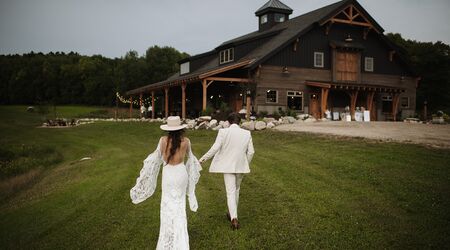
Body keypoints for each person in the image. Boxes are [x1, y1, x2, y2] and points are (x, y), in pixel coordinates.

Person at [130, 116, 201, 249]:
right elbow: (191, 159)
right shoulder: (186, 141)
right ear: (180, 129)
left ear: (168, 129)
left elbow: (155, 158)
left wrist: (147, 165)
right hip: (181, 174)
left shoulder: (162, 141)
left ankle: (168, 238)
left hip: (168, 175)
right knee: (179, 206)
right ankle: (180, 239)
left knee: (167, 204)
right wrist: (197, 165)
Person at [199, 113, 254, 230]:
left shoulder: (223, 132)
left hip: (228, 166)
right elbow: (251, 152)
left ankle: (234, 218)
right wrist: (246, 164)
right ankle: (232, 214)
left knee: (230, 192)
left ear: (228, 122)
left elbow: (215, 148)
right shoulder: (247, 133)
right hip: (241, 166)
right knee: (236, 190)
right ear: (239, 122)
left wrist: (203, 159)